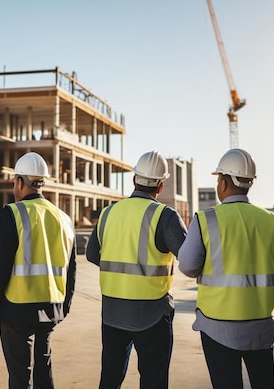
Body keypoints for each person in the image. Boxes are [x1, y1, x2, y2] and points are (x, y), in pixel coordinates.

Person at [177, 148, 274, 389]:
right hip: (262, 324)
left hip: (217, 326)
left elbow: (188, 266)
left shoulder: (206, 219)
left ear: (222, 182)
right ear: (249, 183)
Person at [86, 150, 188, 389]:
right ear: (160, 186)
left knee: (110, 378)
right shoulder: (165, 216)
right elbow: (189, 257)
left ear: (134, 180)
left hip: (112, 311)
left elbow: (92, 254)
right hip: (152, 314)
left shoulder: (108, 213)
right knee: (153, 381)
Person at [0, 152, 77, 389]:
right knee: (44, 371)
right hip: (51, 307)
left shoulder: (11, 213)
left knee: (20, 377)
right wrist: (63, 307)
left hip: (17, 308)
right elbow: (71, 269)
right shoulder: (63, 218)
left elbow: (0, 267)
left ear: (20, 182)